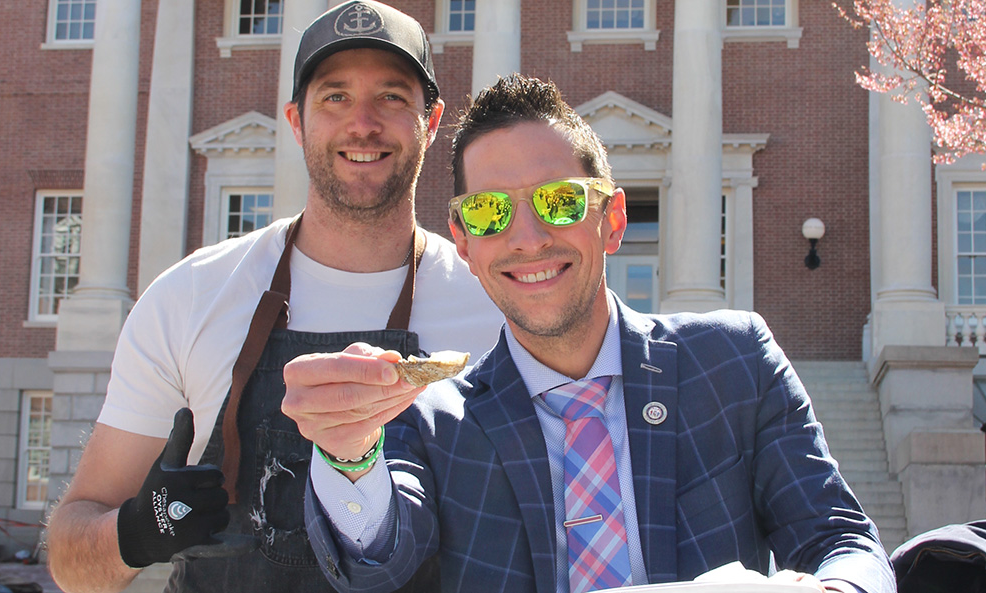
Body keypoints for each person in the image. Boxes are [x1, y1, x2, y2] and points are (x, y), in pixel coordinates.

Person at [283, 75, 898, 593]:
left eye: (559, 202)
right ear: (464, 243)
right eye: (490, 211)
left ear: (613, 219)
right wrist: (349, 453)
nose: (527, 237)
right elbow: (377, 559)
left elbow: (838, 538)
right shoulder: (433, 418)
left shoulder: (732, 363)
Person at [44, 2, 502, 592]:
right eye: (335, 97)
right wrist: (138, 531)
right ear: (296, 121)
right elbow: (71, 559)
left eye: (392, 97)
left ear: (432, 120)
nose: (362, 123)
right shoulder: (189, 297)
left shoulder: (493, 308)